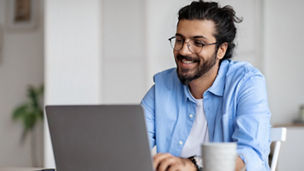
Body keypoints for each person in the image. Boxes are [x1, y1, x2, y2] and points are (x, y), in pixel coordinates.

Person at [141, 0, 271, 171]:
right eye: (180, 40)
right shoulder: (162, 88)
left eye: (198, 43)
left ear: (221, 50)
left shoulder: (246, 82)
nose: (184, 50)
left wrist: (194, 165)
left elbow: (250, 153)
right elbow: (132, 147)